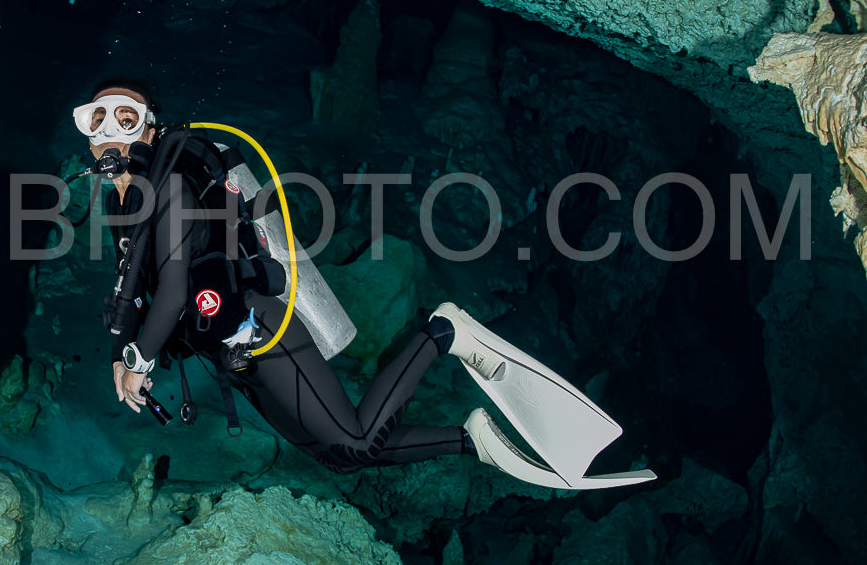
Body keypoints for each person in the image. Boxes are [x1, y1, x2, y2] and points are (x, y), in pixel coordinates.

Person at [74, 79, 658, 488]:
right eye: (95, 119)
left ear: (150, 129)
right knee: (337, 457)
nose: (108, 131)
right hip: (232, 355)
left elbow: (176, 289)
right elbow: (150, 300)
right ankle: (474, 444)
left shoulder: (172, 187)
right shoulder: (128, 208)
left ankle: (443, 332)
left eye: (124, 117)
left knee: (352, 441)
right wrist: (130, 354)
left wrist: (136, 359)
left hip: (263, 331)